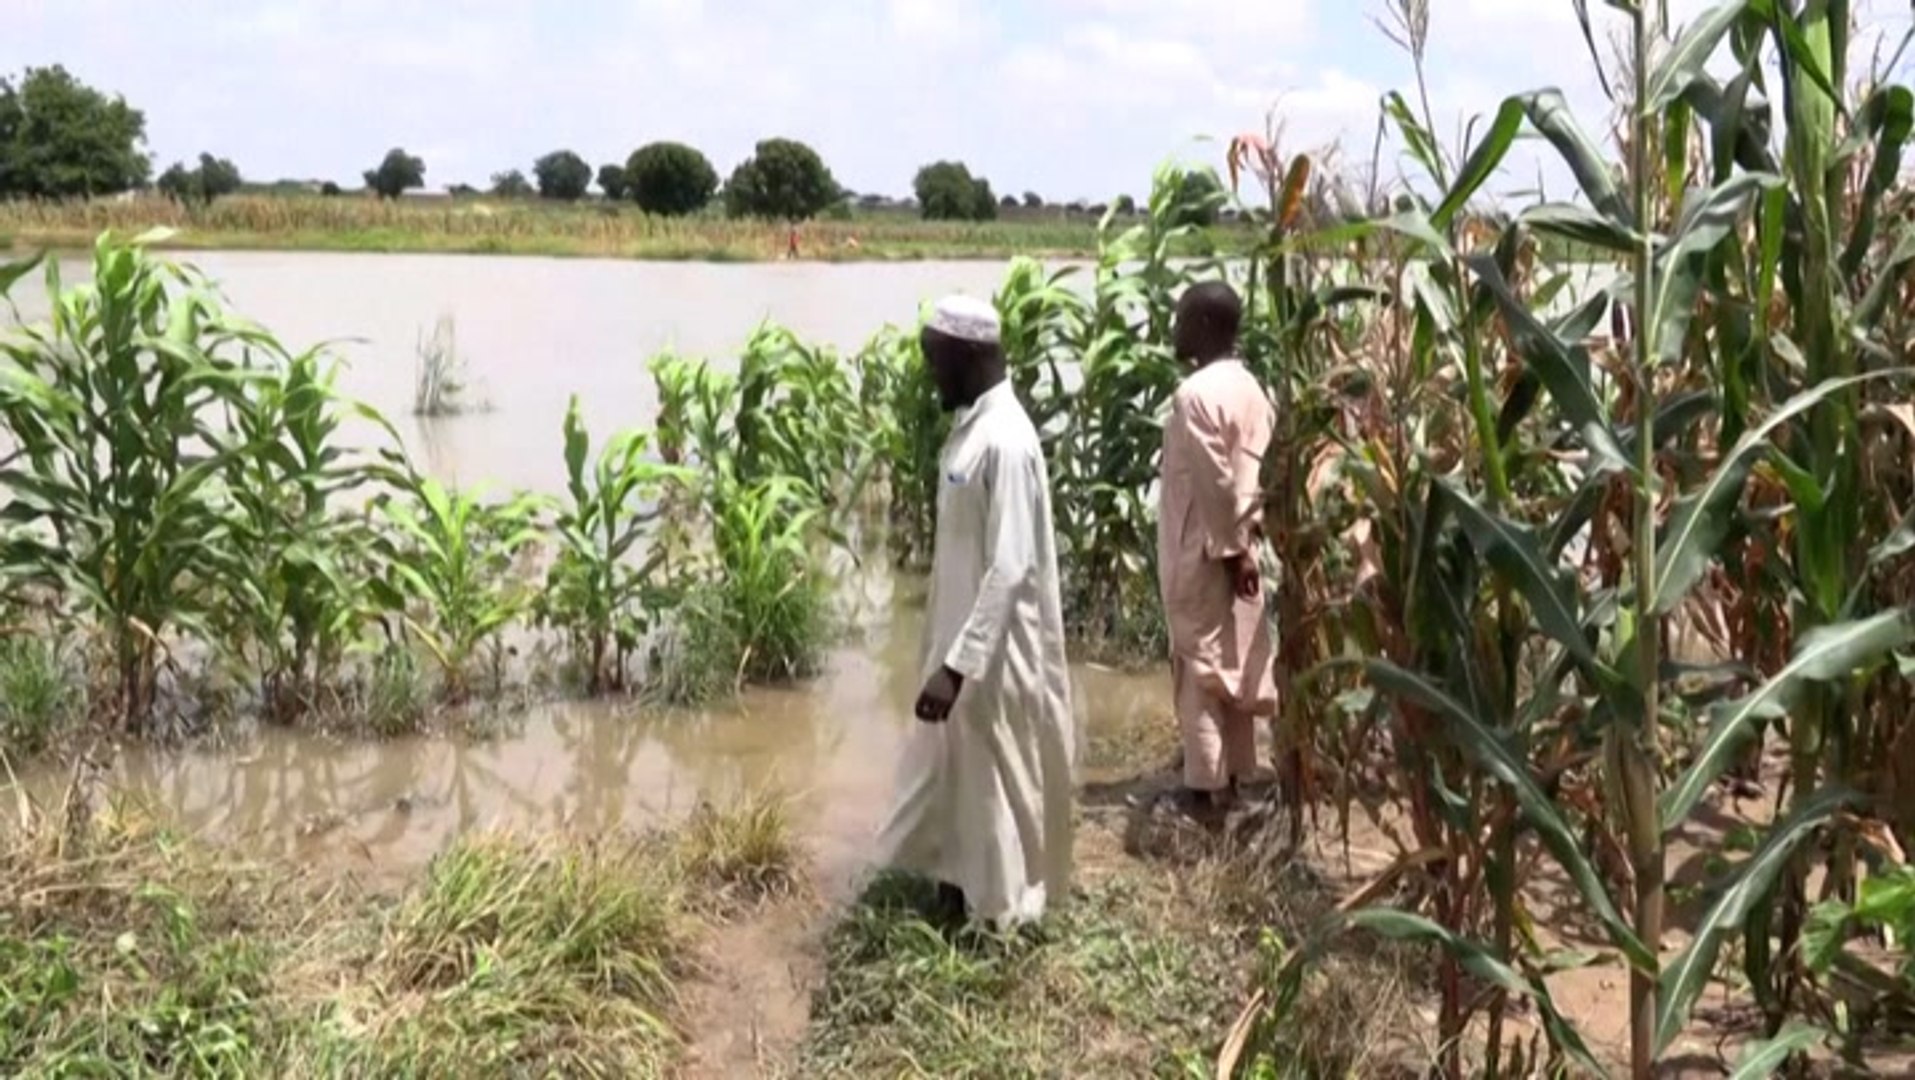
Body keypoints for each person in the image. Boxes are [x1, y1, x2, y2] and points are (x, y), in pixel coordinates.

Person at [877, 294, 1076, 928]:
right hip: (957, 641)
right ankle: (952, 885)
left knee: (994, 784)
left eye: (936, 362)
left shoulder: (1008, 442)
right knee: (951, 773)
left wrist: (958, 668)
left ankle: (1003, 918)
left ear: (969, 357)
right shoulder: (973, 430)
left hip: (994, 657)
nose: (931, 375)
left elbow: (1011, 566)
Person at [1156, 281, 1277, 821]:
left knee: (1199, 665)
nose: (1175, 329)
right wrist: (1248, 549)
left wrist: (1233, 552)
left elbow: (1214, 480)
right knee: (1232, 658)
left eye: (1182, 318)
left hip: (1204, 549)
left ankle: (1204, 791)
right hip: (1243, 543)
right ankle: (1235, 774)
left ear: (1203, 327)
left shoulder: (1194, 394)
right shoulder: (1255, 389)